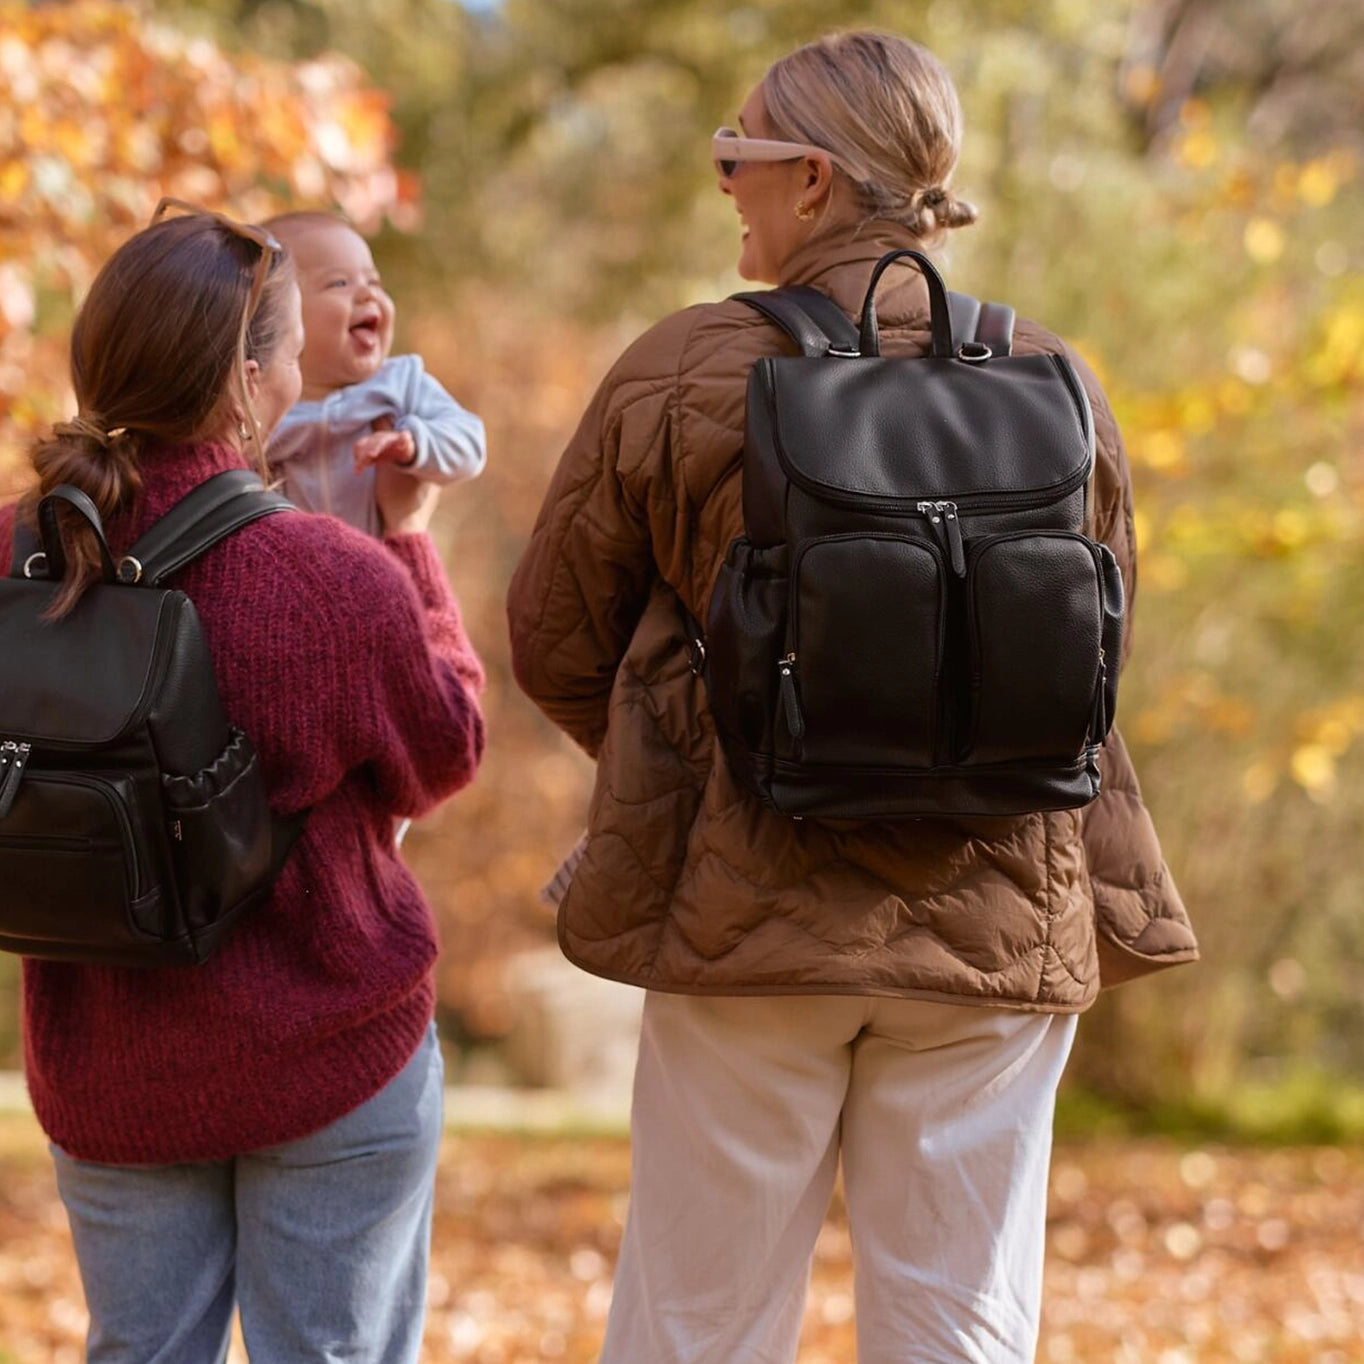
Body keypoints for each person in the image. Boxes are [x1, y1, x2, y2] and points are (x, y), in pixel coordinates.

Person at [507, 30, 1198, 1364]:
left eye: (738, 155)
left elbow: (554, 638)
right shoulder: (1056, 381)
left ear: (814, 180)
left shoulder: (682, 372)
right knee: (960, 1328)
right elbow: (1096, 646)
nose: (725, 182)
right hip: (999, 921)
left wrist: (706, 761)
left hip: (744, 916)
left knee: (697, 1322)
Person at [0, 199, 485, 1364]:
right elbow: (444, 749)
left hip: (108, 1049)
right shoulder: (332, 574)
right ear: (257, 373)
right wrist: (410, 541)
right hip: (329, 1040)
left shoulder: (15, 551)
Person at [263, 210, 486, 539]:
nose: (368, 294)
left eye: (373, 281)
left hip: (379, 568)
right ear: (282, 315)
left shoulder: (400, 383)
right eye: (340, 282)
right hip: (290, 577)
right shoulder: (264, 402)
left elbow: (470, 443)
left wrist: (414, 443)